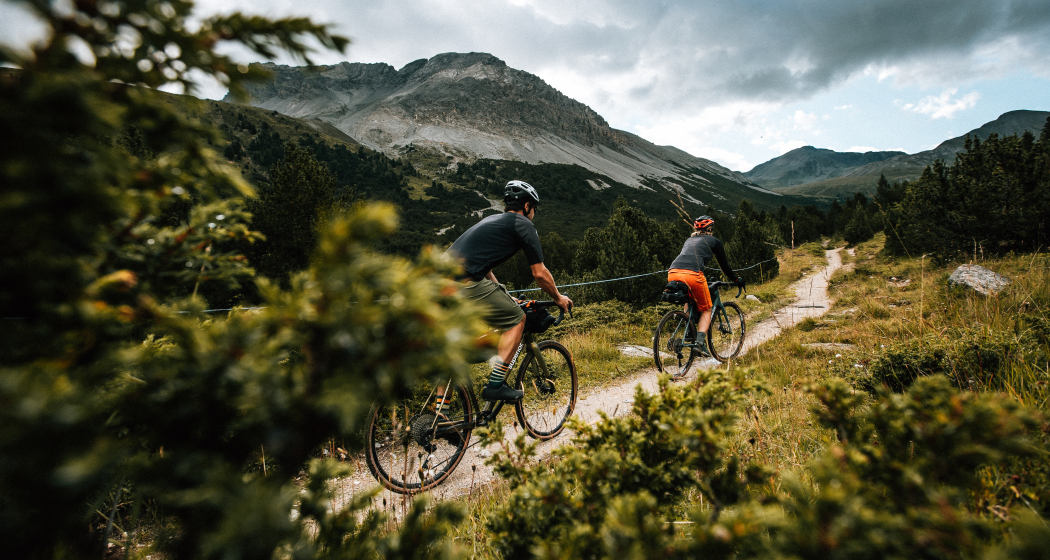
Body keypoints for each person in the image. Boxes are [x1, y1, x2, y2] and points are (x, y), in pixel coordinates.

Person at [445, 180, 572, 402]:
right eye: (534, 208)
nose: (534, 212)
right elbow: (540, 274)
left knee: (449, 352)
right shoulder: (523, 224)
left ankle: (442, 418)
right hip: (464, 283)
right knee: (517, 318)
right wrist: (558, 298)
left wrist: (503, 293)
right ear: (526, 206)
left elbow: (485, 267)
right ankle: (495, 385)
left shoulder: (492, 220)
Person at [666, 215, 743, 355]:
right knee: (707, 309)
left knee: (689, 302)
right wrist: (736, 280)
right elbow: (724, 267)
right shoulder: (714, 241)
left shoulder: (689, 240)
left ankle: (690, 334)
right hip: (693, 274)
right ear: (711, 228)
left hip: (673, 272)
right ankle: (700, 344)